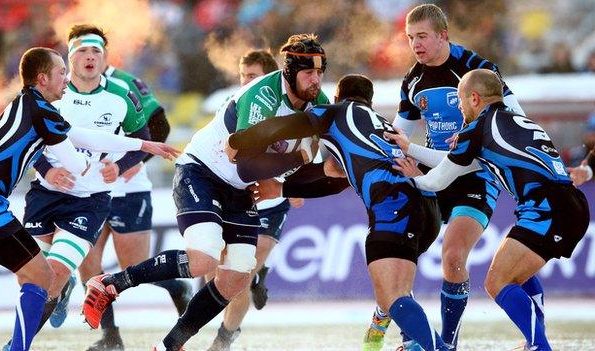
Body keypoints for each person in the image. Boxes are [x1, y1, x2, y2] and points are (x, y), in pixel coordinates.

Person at [82, 33, 329, 351]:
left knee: (238, 276)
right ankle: (110, 283)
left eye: (320, 72)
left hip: (239, 187)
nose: (316, 80)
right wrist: (294, 163)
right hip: (202, 172)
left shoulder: (320, 103)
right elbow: (242, 162)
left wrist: (290, 183)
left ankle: (169, 345)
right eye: (309, 72)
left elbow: (317, 160)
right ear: (290, 71)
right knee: (203, 260)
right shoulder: (262, 95)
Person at [224, 74, 453, 351]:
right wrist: (282, 190)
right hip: (426, 204)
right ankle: (391, 338)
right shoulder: (376, 122)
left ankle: (438, 348)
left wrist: (240, 140)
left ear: (336, 98)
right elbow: (335, 180)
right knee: (394, 290)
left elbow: (283, 126)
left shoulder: (335, 113)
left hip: (393, 205)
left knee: (394, 296)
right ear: (370, 101)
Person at [0, 47, 177, 351]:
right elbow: (77, 161)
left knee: (39, 275)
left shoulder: (30, 105)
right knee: (41, 275)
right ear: (43, 78)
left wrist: (142, 143)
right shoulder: (42, 111)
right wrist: (111, 167)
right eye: (61, 73)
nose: (66, 78)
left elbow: (78, 135)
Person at [362, 4, 539, 351]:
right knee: (399, 254)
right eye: (411, 38)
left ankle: (446, 343)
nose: (416, 45)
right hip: (432, 172)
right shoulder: (412, 81)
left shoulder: (478, 70)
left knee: (453, 256)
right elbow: (401, 133)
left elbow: (516, 119)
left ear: (443, 35)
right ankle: (404, 331)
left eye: (423, 36)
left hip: (475, 178)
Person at [386, 68, 589, 351]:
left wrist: (413, 177)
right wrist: (412, 149)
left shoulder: (477, 128)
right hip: (571, 204)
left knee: (497, 282)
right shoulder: (514, 120)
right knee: (518, 276)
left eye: (459, 99)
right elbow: (460, 163)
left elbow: (438, 179)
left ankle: (539, 346)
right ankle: (535, 340)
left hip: (546, 208)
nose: (458, 106)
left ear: (474, 98)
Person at [70, 59, 193, 351]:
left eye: (93, 49)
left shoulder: (125, 83)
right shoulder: (64, 88)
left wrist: (130, 164)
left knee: (133, 269)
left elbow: (160, 127)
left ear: (103, 53)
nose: (88, 57)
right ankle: (111, 338)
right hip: (88, 192)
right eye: (80, 49)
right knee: (89, 269)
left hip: (129, 190)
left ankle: (178, 286)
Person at [206, 48, 306, 351]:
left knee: (240, 276)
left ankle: (224, 339)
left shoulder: (289, 109)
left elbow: (306, 150)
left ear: (271, 78)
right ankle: (258, 276)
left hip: (270, 206)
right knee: (219, 275)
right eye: (242, 76)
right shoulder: (233, 105)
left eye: (252, 77)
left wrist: (294, 185)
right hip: (234, 200)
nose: (246, 82)